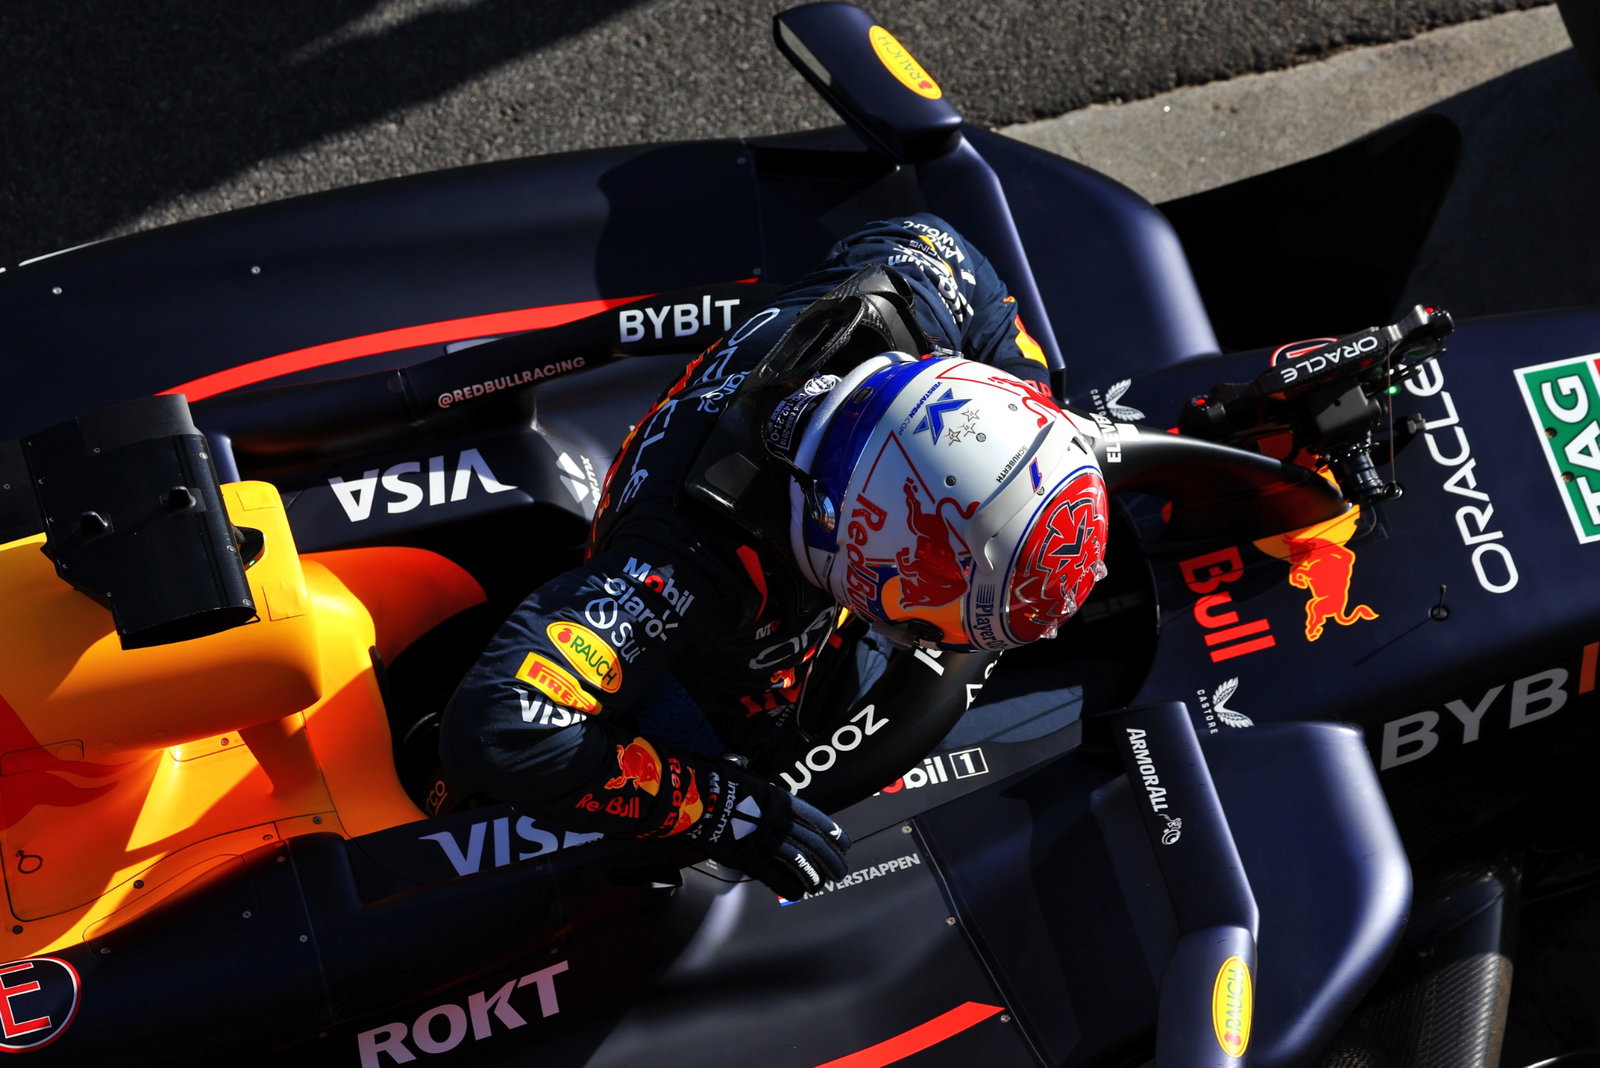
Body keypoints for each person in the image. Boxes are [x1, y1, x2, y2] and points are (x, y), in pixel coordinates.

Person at [438, 214, 1109, 900]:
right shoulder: (692, 565)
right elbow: (502, 724)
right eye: (937, 588)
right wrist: (724, 810)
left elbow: (935, 236)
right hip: (712, 691)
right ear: (860, 550)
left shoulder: (903, 299)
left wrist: (1027, 421)